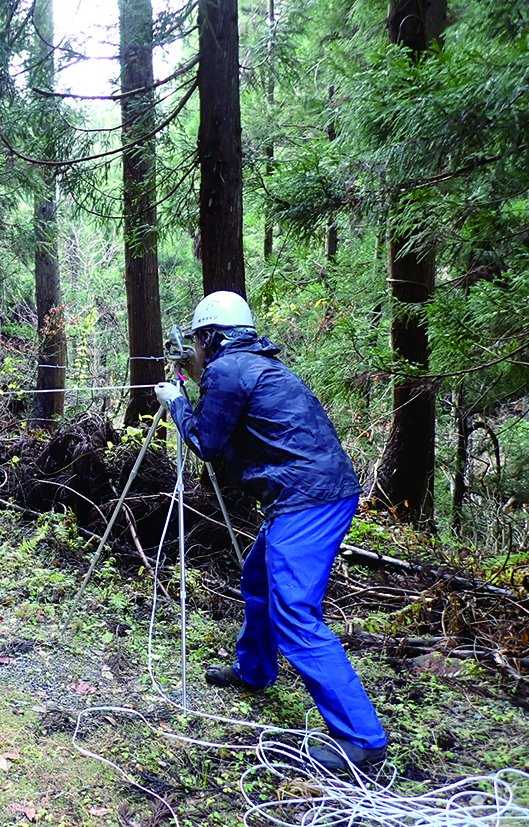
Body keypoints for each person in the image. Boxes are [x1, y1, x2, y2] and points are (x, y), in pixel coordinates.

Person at [154, 291, 388, 771]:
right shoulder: (256, 365)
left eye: (196, 341)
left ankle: (361, 738)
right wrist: (192, 387)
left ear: (209, 337)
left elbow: (204, 442)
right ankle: (254, 671)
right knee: (258, 580)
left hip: (309, 501)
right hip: (317, 494)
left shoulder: (227, 369)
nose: (192, 351)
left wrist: (177, 402)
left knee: (296, 615)